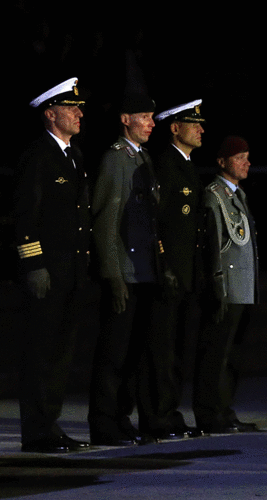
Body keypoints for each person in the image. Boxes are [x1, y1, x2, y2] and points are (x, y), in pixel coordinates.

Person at [14, 77, 92, 453]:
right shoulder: (38, 156)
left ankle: (51, 422)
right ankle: (37, 429)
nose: (79, 113)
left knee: (61, 352)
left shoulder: (73, 156)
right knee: (41, 352)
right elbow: (25, 216)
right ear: (50, 113)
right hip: (49, 271)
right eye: (71, 107)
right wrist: (34, 264)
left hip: (71, 271)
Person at [88, 92, 163, 446]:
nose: (150, 123)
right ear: (125, 119)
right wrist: (113, 274)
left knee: (133, 353)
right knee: (113, 353)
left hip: (144, 270)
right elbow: (105, 222)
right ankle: (104, 422)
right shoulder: (115, 160)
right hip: (125, 270)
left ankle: (122, 418)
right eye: (144, 117)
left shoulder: (144, 159)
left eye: (151, 117)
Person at [139, 100, 207, 440]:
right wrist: (163, 265)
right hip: (167, 273)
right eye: (194, 123)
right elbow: (156, 222)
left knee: (178, 348)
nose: (201, 129)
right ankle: (156, 415)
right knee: (161, 348)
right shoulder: (165, 165)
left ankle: (170, 411)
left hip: (185, 274)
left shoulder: (188, 167)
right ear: (175, 128)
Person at [193, 136, 259, 434]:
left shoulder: (237, 195)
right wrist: (218, 286)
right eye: (239, 157)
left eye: (247, 156)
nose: (246, 162)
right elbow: (213, 245)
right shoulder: (213, 194)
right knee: (216, 354)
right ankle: (210, 413)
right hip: (227, 287)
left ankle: (225, 410)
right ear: (222, 162)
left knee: (233, 356)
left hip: (243, 288)